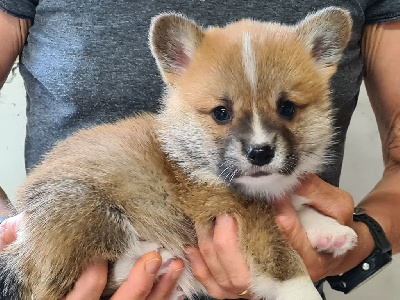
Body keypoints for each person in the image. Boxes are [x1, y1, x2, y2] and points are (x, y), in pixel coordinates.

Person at [0, 1, 399, 299]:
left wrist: (365, 239)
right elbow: (244, 217)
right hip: (82, 235)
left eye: (287, 108)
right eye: (222, 113)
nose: (260, 141)